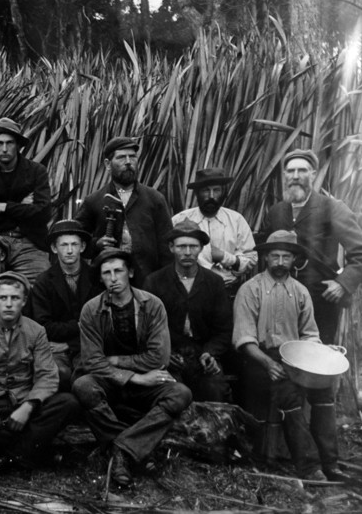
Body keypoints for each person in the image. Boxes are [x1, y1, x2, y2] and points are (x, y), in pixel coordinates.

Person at [73, 248, 192, 487]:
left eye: (118, 271)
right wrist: (135, 378)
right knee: (83, 386)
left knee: (180, 393)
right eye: (106, 273)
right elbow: (92, 361)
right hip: (113, 380)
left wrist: (116, 361)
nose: (113, 278)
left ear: (130, 272)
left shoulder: (152, 305)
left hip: (145, 377)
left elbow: (158, 357)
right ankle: (137, 450)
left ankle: (120, 449)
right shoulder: (91, 310)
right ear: (101, 278)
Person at [233, 230, 343, 481]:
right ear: (266, 259)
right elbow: (244, 340)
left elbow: (310, 334)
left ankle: (330, 461)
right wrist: (268, 363)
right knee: (288, 392)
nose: (280, 262)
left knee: (323, 391)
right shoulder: (250, 290)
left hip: (296, 357)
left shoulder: (301, 291)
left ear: (294, 260)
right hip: (259, 358)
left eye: (286, 257)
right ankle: (309, 467)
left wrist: (321, 356)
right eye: (275, 256)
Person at [0, 271, 79, 478]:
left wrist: (29, 406)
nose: (9, 304)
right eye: (3, 298)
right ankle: (35, 454)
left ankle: (4, 460)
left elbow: (47, 375)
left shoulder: (36, 331)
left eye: (15, 298)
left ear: (24, 301)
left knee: (68, 403)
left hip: (25, 402)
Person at [262, 149, 362, 344]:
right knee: (282, 351)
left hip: (320, 298)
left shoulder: (332, 207)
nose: (295, 176)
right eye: (290, 171)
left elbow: (361, 252)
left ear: (313, 174)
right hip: (280, 295)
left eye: (302, 171)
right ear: (284, 175)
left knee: (317, 355)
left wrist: (342, 284)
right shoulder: (276, 211)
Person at [142, 220, 232, 402]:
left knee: (215, 390)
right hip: (168, 357)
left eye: (193, 246)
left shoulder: (214, 283)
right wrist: (164, 354)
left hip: (203, 356)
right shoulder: (155, 282)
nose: (188, 252)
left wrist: (211, 353)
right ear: (171, 248)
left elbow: (224, 329)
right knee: (172, 396)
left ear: (201, 249)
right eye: (182, 246)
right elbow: (145, 327)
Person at [75, 137, 172, 287]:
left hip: (148, 280)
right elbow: (77, 240)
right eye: (121, 157)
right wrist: (96, 244)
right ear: (108, 164)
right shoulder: (94, 201)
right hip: (108, 280)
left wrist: (165, 281)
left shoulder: (154, 199)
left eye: (132, 157)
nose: (128, 162)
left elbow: (167, 246)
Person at [0, 117, 52, 282]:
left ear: (18, 146)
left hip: (28, 242)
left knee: (41, 287)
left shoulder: (36, 172)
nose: (5, 148)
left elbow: (43, 214)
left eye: (10, 143)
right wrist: (22, 208)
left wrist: (2, 207)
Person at [29, 220, 96, 390]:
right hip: (55, 349)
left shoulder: (96, 277)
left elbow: (100, 324)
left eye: (74, 244)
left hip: (90, 346)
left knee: (90, 376)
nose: (69, 250)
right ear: (54, 248)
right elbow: (44, 326)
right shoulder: (43, 282)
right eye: (64, 245)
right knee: (59, 374)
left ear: (82, 247)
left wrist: (70, 344)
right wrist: (79, 325)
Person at [172, 167, 257, 299]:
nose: (211, 196)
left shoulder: (236, 220)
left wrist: (225, 257)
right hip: (188, 293)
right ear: (197, 193)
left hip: (226, 293)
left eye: (216, 190)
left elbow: (251, 258)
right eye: (206, 190)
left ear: (224, 192)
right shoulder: (180, 220)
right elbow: (168, 255)